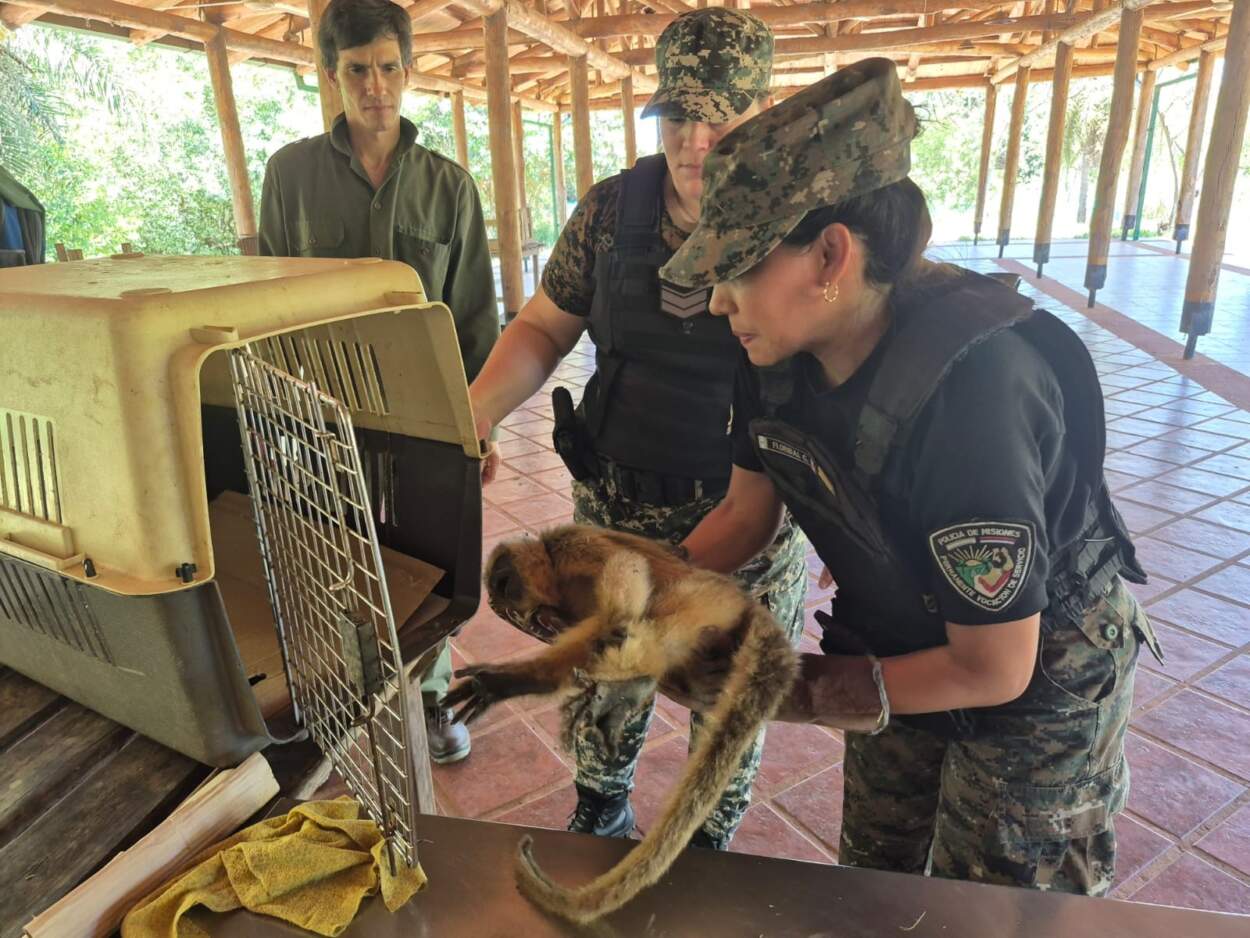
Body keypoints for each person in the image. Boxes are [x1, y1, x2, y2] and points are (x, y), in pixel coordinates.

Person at [663, 58, 1164, 895]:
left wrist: (779, 691)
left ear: (832, 255)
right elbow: (749, 513)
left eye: (739, 268)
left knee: (1000, 902)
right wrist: (641, 591)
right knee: (878, 883)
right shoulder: (772, 348)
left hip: (1039, 661)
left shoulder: (975, 389)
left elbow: (994, 666)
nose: (718, 301)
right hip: (904, 627)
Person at [466, 7, 808, 850]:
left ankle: (707, 845)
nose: (696, 141)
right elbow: (545, 327)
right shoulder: (612, 213)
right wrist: (472, 412)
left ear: (761, 111)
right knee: (602, 684)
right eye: (678, 116)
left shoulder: (800, 228)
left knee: (725, 707)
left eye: (720, 116)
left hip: (745, 527)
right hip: (614, 518)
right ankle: (599, 805)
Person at [258, 0, 499, 765]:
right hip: (321, 417)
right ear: (330, 74)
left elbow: (474, 317)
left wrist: (478, 426)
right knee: (328, 555)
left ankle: (429, 703)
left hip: (424, 421)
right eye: (357, 69)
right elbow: (269, 301)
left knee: (430, 564)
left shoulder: (449, 187)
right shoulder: (289, 176)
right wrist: (275, 414)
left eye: (389, 67)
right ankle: (335, 701)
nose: (376, 87)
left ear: (408, 69)